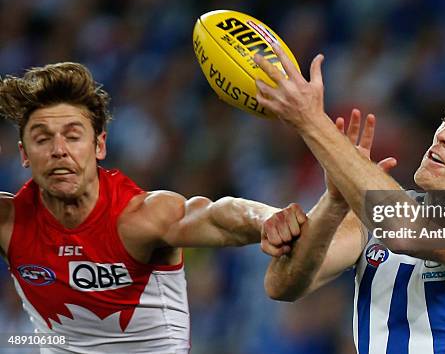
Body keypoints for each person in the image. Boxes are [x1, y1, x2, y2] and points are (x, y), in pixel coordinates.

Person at [0, 62, 314, 353]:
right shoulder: (9, 222)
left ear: (99, 146)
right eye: (42, 139)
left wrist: (267, 218)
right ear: (24, 154)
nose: (58, 151)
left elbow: (217, 216)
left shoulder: (141, 217)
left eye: (73, 136)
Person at [254, 45, 445, 354]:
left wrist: (312, 122)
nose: (444, 135)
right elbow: (283, 285)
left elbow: (405, 232)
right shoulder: (375, 217)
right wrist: (335, 202)